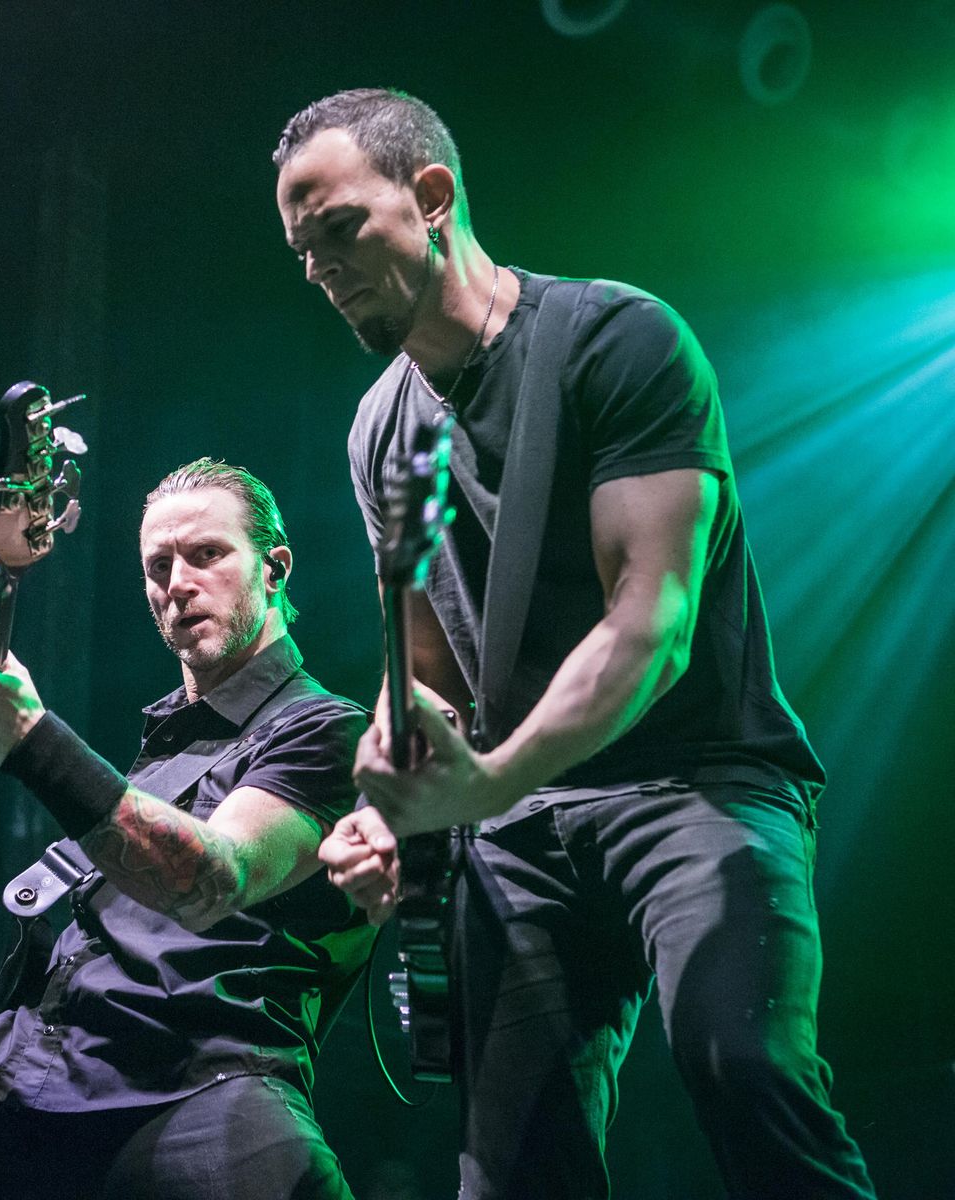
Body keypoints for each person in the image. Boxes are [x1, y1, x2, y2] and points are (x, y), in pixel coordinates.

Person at [274, 88, 877, 1199]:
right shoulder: (382, 431)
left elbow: (652, 625)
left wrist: (491, 776)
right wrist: (390, 796)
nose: (320, 269)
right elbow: (425, 670)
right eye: (301, 250)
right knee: (508, 1169)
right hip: (519, 822)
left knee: (744, 1064)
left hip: (695, 780)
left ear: (432, 196)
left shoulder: (615, 340)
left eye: (340, 229)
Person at [0, 458, 372, 1200]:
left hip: (207, 1078)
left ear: (275, 568)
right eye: (158, 565)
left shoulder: (327, 729)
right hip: (37, 1071)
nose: (178, 583)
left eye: (206, 554)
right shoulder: (165, 746)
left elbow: (212, 879)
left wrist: (32, 741)